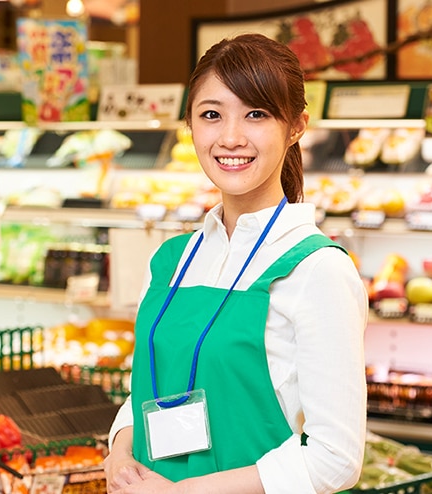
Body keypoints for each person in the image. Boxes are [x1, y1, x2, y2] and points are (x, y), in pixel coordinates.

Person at [103, 33, 368, 493]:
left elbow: (335, 460)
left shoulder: (318, 269)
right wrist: (119, 450)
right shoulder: (173, 260)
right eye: (211, 114)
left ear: (296, 125)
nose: (230, 137)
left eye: (256, 114)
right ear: (190, 123)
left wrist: (180, 493)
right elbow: (153, 388)